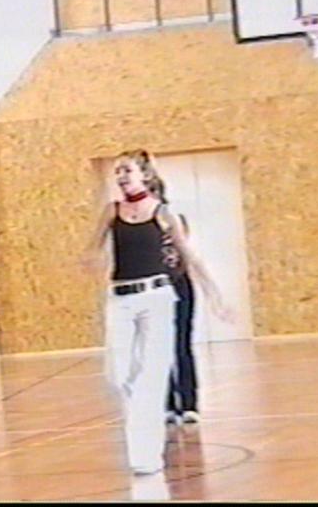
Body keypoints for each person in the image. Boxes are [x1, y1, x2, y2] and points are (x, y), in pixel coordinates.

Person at [82, 149, 231, 476]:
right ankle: (144, 426)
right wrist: (90, 259)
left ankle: (146, 454)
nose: (121, 176)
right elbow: (93, 247)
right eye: (118, 171)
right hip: (122, 298)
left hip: (157, 297)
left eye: (127, 170)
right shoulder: (112, 211)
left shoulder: (164, 214)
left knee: (151, 373)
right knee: (119, 373)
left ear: (144, 175)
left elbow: (190, 257)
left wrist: (215, 294)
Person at [148, 178, 200, 425]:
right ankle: (167, 404)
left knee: (181, 344)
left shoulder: (175, 219)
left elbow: (183, 253)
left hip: (179, 285)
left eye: (152, 191)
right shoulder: (137, 224)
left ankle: (189, 404)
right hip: (154, 289)